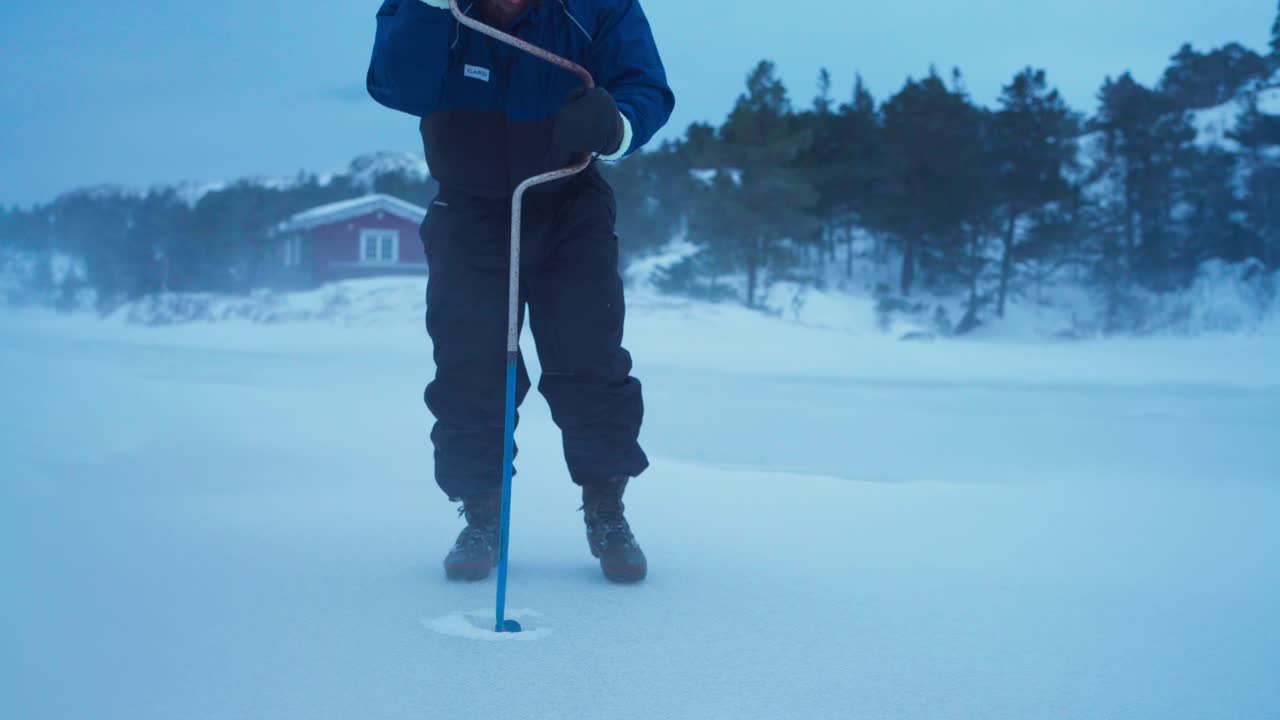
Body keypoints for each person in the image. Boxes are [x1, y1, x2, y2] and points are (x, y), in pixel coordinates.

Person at [366, 0, 674, 583]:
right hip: (469, 212)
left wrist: (617, 123)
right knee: (470, 368)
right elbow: (398, 86)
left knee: (591, 363)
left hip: (568, 204)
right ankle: (482, 513)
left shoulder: (599, 7)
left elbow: (646, 88)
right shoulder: (433, 8)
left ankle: (606, 507)